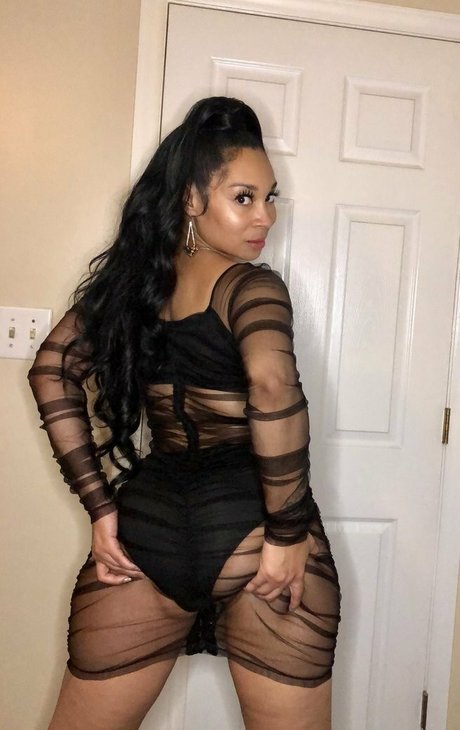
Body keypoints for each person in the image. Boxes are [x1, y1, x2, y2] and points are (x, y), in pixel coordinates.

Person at [28, 96, 341, 730]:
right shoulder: (250, 285)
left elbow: (50, 369)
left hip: (150, 529)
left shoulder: (134, 287)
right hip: (254, 529)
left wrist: (101, 508)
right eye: (244, 197)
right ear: (192, 199)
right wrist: (287, 535)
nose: (265, 216)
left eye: (271, 198)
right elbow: (272, 384)